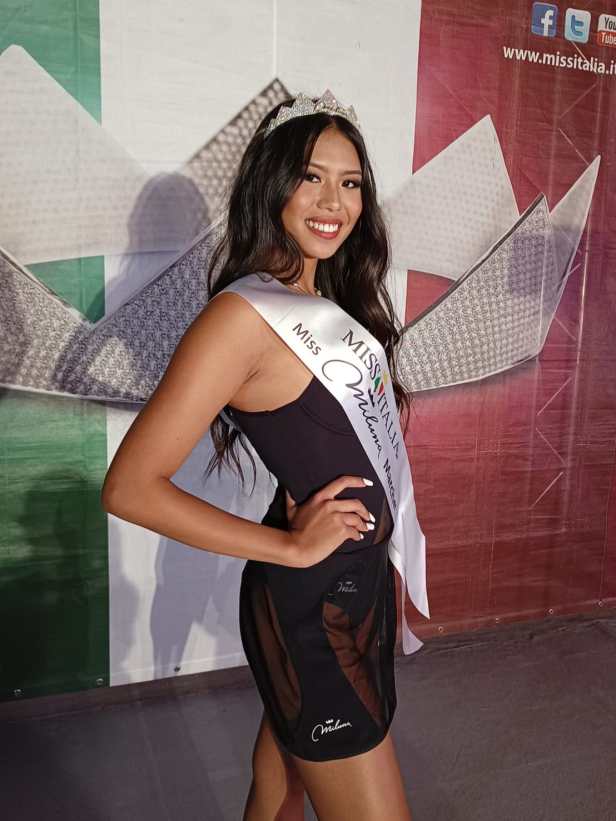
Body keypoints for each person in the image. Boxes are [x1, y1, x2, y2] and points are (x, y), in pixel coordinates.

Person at [101, 90, 420, 821]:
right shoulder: (241, 318)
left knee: (280, 786)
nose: (333, 201)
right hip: (314, 607)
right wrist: (288, 544)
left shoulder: (328, 305)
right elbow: (129, 487)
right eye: (311, 176)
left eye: (350, 182)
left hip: (356, 588)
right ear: (272, 184)